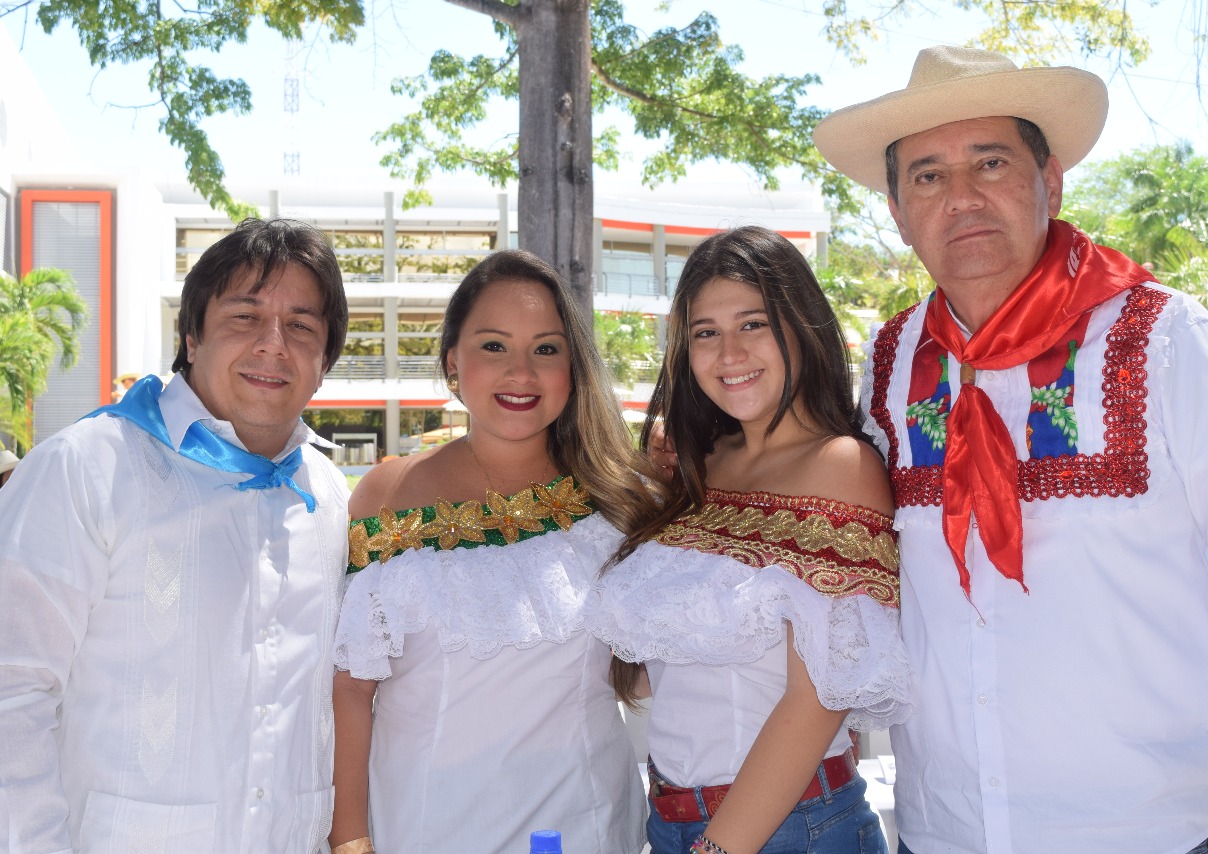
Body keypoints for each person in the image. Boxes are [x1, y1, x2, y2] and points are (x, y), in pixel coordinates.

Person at [808, 45, 1208, 854]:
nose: (962, 197)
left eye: (990, 163)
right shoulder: (889, 364)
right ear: (897, 212)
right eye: (928, 176)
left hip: (1142, 834)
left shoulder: (1163, 337)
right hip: (943, 831)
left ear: (1050, 182)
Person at [0, 218, 351, 852]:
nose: (273, 344)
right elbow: (12, 689)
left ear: (324, 362)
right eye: (245, 316)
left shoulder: (327, 494)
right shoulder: (86, 468)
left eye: (301, 326)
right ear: (191, 337)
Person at [591, 226, 913, 854]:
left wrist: (716, 848)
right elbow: (656, 672)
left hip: (789, 829)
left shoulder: (840, 465)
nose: (729, 353)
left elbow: (819, 697)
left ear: (803, 328)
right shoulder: (702, 467)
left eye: (754, 324)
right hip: (672, 819)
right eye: (705, 333)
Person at [329, 249, 657, 854]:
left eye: (546, 349)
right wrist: (349, 840)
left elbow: (657, 670)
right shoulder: (386, 494)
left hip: (583, 826)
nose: (521, 372)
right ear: (453, 361)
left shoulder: (624, 500)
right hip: (421, 830)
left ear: (573, 367)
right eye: (494, 346)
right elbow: (351, 688)